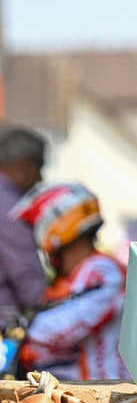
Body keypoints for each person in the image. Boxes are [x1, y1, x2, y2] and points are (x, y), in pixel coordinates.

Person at [10, 181, 131, 381]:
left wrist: (23, 333)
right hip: (83, 393)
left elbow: (57, 330)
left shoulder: (102, 271)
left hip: (108, 398)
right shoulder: (75, 275)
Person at [0, 124, 47, 327]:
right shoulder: (10, 207)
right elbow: (32, 291)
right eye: (40, 167)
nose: (40, 179)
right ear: (25, 166)